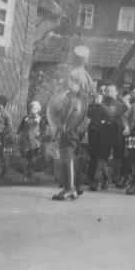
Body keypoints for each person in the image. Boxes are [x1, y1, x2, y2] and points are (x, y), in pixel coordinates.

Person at [51, 66, 95, 200]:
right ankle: (74, 188)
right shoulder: (83, 97)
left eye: (73, 81)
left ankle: (69, 188)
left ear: (80, 84)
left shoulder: (75, 97)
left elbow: (72, 111)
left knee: (67, 155)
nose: (69, 84)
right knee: (72, 156)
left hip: (72, 128)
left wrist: (64, 124)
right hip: (78, 128)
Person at [90, 81, 128, 192]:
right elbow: (91, 114)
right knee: (99, 157)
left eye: (111, 91)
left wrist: (100, 104)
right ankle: (106, 176)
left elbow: (110, 113)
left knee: (102, 157)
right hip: (100, 131)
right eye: (106, 90)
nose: (108, 93)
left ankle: (96, 180)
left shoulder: (118, 103)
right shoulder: (101, 102)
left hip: (114, 132)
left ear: (116, 92)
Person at [16, 101, 43, 183]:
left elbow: (43, 127)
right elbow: (21, 126)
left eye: (34, 108)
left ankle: (30, 171)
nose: (32, 110)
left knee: (32, 155)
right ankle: (25, 169)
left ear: (38, 110)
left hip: (34, 139)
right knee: (24, 153)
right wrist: (17, 133)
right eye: (31, 108)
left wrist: (40, 132)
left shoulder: (39, 118)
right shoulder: (26, 117)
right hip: (25, 138)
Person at [0, 95, 13, 177]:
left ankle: (4, 168)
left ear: (3, 105)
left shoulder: (6, 114)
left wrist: (3, 133)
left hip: (1, 136)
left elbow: (9, 126)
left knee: (0, 153)